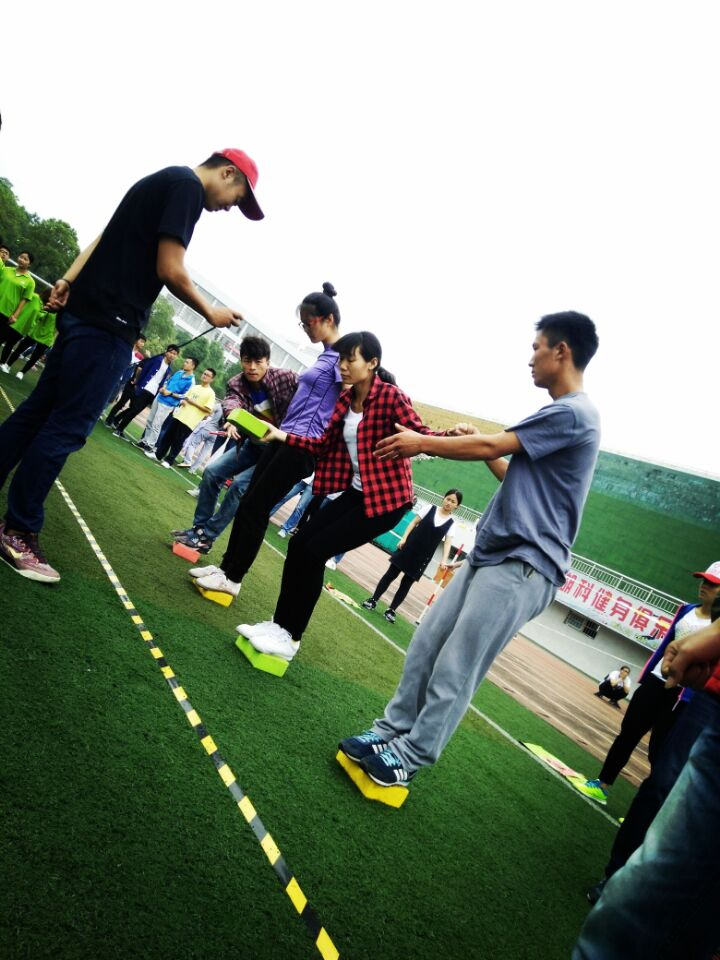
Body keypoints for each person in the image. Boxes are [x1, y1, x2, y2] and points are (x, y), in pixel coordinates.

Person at [339, 311, 600, 787]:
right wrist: (480, 448)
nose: (531, 359)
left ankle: (411, 754)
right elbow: (510, 468)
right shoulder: (561, 414)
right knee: (427, 642)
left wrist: (423, 442)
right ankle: (391, 730)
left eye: (537, 347)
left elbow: (491, 446)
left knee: (457, 664)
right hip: (493, 555)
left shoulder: (574, 412)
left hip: (525, 564)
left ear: (561, 351)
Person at [0, 148, 263, 582]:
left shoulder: (160, 179)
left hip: (85, 314)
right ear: (228, 173)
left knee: (36, 413)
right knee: (65, 428)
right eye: (239, 197)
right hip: (110, 325)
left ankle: (16, 524)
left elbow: (103, 238)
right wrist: (210, 312)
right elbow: (170, 267)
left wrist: (67, 279)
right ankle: (18, 530)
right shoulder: (186, 188)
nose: (231, 206)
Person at [224, 330, 442, 661]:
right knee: (299, 544)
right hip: (356, 492)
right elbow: (323, 444)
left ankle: (291, 638)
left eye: (350, 359)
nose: (342, 366)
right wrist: (281, 435)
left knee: (314, 552)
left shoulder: (390, 397)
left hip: (386, 502)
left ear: (372, 363)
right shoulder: (345, 400)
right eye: (340, 359)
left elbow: (423, 435)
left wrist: (452, 436)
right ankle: (279, 626)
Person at [573, 614, 720, 959]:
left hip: (700, 703)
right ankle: (614, 873)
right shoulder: (690, 612)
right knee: (661, 788)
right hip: (707, 698)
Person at [189, 283, 344, 590]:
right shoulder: (326, 356)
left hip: (300, 447)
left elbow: (354, 397)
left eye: (308, 323)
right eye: (302, 324)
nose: (305, 329)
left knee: (256, 508)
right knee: (248, 503)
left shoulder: (343, 358)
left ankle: (233, 578)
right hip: (281, 439)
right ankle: (225, 569)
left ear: (328, 319)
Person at [581, 564, 720, 804]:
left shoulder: (716, 627)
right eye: (703, 580)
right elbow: (666, 644)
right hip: (655, 683)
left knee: (660, 751)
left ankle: (648, 807)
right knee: (628, 733)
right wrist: (648, 675)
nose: (704, 586)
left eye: (712, 584)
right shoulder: (687, 610)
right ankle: (601, 784)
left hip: (680, 694)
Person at [171, 335, 298, 554]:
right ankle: (199, 531)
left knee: (239, 486)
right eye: (247, 361)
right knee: (212, 472)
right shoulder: (236, 382)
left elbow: (312, 391)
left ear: (268, 362)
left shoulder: (287, 378)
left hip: (277, 450)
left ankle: (206, 536)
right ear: (241, 361)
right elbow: (232, 401)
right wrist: (231, 417)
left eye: (258, 362)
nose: (252, 367)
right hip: (253, 445)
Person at [363, 488, 463, 623]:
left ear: (457, 506)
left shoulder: (452, 524)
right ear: (443, 498)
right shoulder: (430, 508)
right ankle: (373, 600)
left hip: (423, 557)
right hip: (408, 547)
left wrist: (444, 560)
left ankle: (391, 610)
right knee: (390, 574)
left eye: (453, 502)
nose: (449, 503)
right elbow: (413, 522)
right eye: (448, 499)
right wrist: (404, 538)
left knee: (406, 584)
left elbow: (447, 543)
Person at [110, 344, 179, 437]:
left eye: (175, 354)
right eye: (171, 352)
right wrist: (138, 384)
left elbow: (161, 381)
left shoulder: (168, 368)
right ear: (166, 352)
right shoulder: (157, 360)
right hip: (145, 388)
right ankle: (119, 429)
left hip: (153, 392)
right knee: (134, 410)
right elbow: (144, 370)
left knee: (135, 410)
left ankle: (117, 420)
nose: (172, 355)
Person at [152, 367, 216, 467]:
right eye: (204, 373)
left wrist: (193, 403)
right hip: (179, 415)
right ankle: (158, 455)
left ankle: (169, 461)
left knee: (178, 441)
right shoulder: (195, 387)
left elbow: (208, 410)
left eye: (208, 375)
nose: (204, 376)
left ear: (212, 379)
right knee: (167, 436)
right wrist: (182, 401)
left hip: (189, 421)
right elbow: (185, 397)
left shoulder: (211, 393)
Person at [138, 355, 198, 451]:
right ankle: (144, 441)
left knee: (156, 424)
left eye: (187, 362)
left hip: (168, 403)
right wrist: (163, 388)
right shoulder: (179, 372)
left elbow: (185, 396)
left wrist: (170, 393)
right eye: (185, 361)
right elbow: (168, 381)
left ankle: (150, 444)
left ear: (193, 366)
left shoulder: (191, 381)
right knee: (150, 420)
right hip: (159, 397)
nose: (184, 363)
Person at [0, 250, 36, 371]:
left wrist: (15, 315)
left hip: (6, 313)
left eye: (25, 259)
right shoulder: (6, 270)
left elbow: (24, 300)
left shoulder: (30, 282)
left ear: (29, 264)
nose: (21, 260)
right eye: (21, 257)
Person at [105, 334, 148, 424]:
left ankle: (102, 411)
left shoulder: (140, 357)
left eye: (144, 343)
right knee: (106, 393)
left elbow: (138, 369)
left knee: (113, 397)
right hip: (115, 375)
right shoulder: (127, 350)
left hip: (125, 380)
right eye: (141, 341)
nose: (142, 344)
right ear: (136, 340)